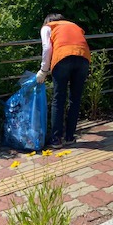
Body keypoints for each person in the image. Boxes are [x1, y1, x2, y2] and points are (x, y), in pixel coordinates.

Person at [35, 13, 90, 149]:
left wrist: (43, 70)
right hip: (83, 58)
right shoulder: (74, 25)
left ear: (47, 21)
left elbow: (47, 48)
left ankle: (56, 139)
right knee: (75, 99)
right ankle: (70, 137)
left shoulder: (48, 27)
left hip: (62, 58)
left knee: (58, 99)